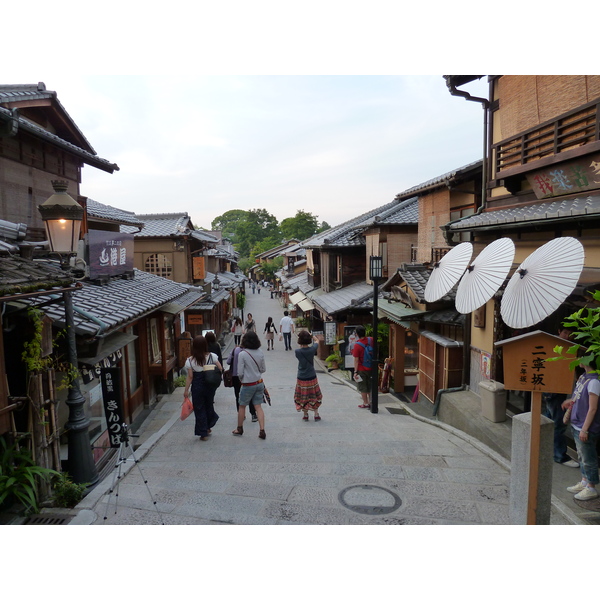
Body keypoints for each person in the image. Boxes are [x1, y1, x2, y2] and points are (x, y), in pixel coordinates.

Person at [542, 326, 580, 468]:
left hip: (559, 389)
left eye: (570, 334)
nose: (567, 336)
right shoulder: (551, 345)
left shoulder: (569, 347)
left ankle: (545, 447)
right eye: (565, 332)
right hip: (552, 389)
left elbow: (571, 367)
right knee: (559, 424)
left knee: (549, 419)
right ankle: (559, 455)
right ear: (558, 331)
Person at [564, 358, 600, 500]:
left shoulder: (594, 382)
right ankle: (584, 481)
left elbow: (593, 409)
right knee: (582, 455)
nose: (578, 359)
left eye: (582, 357)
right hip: (577, 424)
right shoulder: (584, 377)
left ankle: (591, 487)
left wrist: (585, 429)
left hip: (585, 427)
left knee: (588, 458)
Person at [183, 335, 222, 440]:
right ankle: (208, 425)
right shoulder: (212, 356)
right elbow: (220, 368)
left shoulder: (190, 360)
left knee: (199, 408)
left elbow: (190, 377)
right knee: (209, 405)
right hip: (209, 385)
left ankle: (203, 432)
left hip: (197, 385)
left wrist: (186, 390)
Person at [232, 331, 267, 440]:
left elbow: (240, 372)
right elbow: (263, 369)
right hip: (259, 383)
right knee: (258, 406)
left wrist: (243, 379)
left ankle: (240, 428)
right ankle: (262, 430)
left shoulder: (243, 354)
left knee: (242, 405)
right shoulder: (260, 352)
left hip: (248, 384)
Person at [294, 330, 322, 421]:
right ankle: (316, 414)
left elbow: (300, 347)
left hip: (301, 376)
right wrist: (312, 336)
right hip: (311, 375)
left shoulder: (297, 352)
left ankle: (305, 414)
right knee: (313, 395)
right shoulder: (312, 349)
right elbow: (317, 341)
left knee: (303, 396)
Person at [227, 344, 258, 422]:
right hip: (248, 376)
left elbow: (228, 361)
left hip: (235, 376)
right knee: (250, 395)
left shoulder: (235, 350)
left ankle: (241, 414)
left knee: (238, 395)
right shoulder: (250, 352)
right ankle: (253, 414)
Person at [351, 325, 373, 409]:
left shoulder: (357, 345)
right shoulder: (371, 340)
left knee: (363, 387)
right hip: (371, 367)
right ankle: (371, 401)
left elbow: (356, 360)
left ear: (357, 334)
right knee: (370, 385)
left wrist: (355, 371)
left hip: (361, 368)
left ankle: (365, 403)